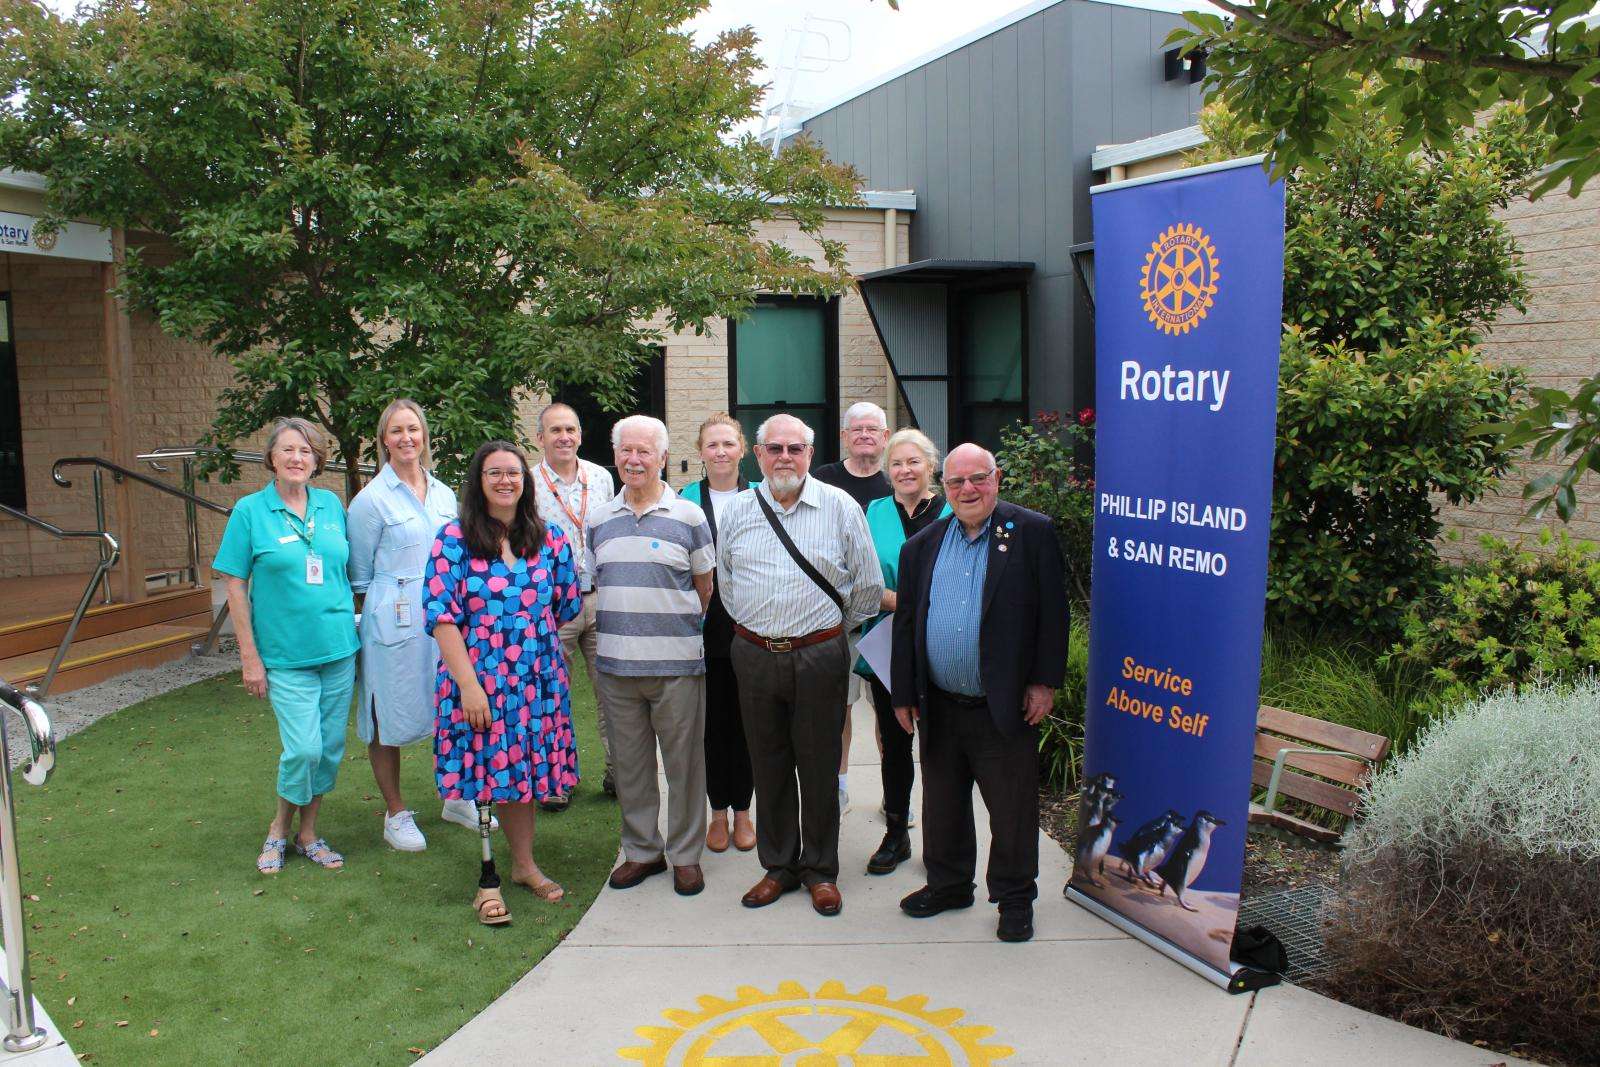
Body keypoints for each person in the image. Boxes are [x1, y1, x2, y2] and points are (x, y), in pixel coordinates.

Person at [891, 443, 1069, 943]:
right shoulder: (921, 546)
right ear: (943, 488)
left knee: (1012, 809)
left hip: (1003, 704)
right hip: (941, 704)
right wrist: (903, 693)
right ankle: (948, 885)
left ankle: (1014, 899)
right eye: (956, 482)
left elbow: (1054, 616)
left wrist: (1043, 682)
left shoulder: (1031, 533)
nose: (968, 490)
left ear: (997, 478)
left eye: (979, 479)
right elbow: (906, 625)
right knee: (943, 803)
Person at [717, 414, 883, 917]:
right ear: (759, 455)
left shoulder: (840, 507)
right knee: (767, 763)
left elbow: (869, 586)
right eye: (774, 448)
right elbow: (727, 583)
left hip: (819, 655)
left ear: (810, 454)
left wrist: (825, 633)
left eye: (795, 448)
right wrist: (759, 626)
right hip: (755, 654)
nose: (784, 457)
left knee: (817, 765)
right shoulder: (741, 511)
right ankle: (779, 866)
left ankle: (820, 870)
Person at [425, 441, 582, 924]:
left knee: (525, 776)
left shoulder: (550, 539)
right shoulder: (452, 539)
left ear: (525, 481)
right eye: (494, 473)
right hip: (476, 679)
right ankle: (487, 878)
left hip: (536, 679)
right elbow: (442, 618)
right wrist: (470, 686)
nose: (505, 481)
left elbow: (565, 604)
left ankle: (524, 866)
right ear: (478, 482)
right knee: (487, 772)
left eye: (513, 473)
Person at [214, 418, 359, 875]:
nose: (297, 458)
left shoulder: (332, 506)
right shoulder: (249, 512)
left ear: (317, 461)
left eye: (306, 451)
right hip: (284, 656)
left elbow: (342, 572)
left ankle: (308, 833)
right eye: (288, 450)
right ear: (272, 459)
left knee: (330, 749)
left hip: (338, 649)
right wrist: (249, 658)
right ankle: (278, 829)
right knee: (303, 750)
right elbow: (235, 586)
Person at [347, 398, 486, 852]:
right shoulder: (370, 500)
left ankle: (457, 796)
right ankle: (396, 812)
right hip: (393, 620)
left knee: (452, 705)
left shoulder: (445, 494)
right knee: (386, 713)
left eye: (414, 429)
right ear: (384, 439)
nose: (406, 438)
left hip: (447, 617)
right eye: (396, 431)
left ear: (424, 435)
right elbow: (361, 575)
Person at [590, 416, 716, 896]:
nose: (634, 459)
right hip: (617, 668)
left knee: (684, 766)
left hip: (677, 668)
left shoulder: (689, 517)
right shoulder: (599, 520)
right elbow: (601, 582)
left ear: (663, 457)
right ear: (616, 455)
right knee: (631, 766)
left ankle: (686, 855)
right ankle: (643, 852)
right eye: (626, 451)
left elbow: (705, 589)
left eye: (645, 451)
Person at [859, 428, 950, 875]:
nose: (905, 470)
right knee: (894, 743)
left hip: (946, 645)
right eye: (897, 463)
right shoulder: (872, 512)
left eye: (913, 462)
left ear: (930, 465)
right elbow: (857, 576)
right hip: (888, 642)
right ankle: (895, 834)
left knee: (943, 747)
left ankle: (943, 839)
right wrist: (900, 600)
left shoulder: (953, 510)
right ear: (887, 469)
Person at [531, 401, 616, 809]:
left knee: (612, 692)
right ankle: (554, 780)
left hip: (599, 599)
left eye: (570, 429)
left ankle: (619, 773)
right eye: (555, 430)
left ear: (580, 434)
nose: (564, 437)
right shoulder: (527, 483)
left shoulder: (600, 477)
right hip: (551, 608)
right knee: (551, 695)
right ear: (540, 438)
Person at [679, 414, 757, 854]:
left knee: (747, 723)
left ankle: (744, 811)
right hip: (702, 628)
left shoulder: (760, 497)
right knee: (711, 725)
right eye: (712, 445)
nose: (721, 451)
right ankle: (718, 813)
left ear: (742, 448)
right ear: (701, 451)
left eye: (728, 443)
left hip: (750, 628)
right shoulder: (685, 500)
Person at [811, 402, 892, 815]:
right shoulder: (823, 480)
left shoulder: (897, 481)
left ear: (884, 436)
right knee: (838, 707)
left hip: (886, 621)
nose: (864, 435)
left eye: (871, 429)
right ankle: (839, 784)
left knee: (889, 711)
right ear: (844, 436)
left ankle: (891, 794)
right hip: (837, 620)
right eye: (856, 428)